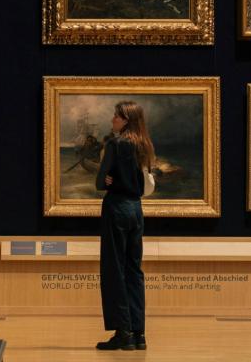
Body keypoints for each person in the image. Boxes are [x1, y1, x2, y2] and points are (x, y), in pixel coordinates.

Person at [94, 101, 155, 351]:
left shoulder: (115, 145)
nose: (112, 120)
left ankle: (123, 333)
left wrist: (108, 178)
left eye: (116, 116)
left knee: (114, 270)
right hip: (135, 210)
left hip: (116, 208)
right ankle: (139, 333)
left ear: (125, 120)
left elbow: (100, 182)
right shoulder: (144, 145)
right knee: (134, 270)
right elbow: (144, 182)